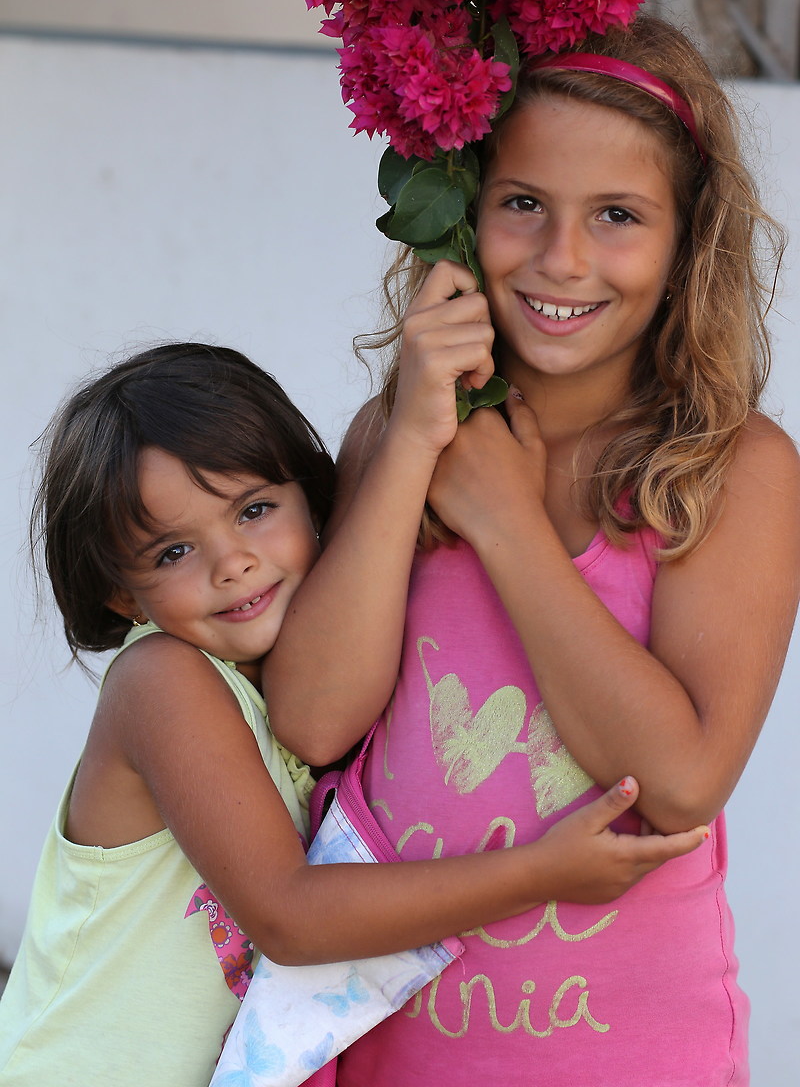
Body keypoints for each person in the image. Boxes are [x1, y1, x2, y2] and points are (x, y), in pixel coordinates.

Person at [263, 15, 800, 1086]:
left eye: (617, 216)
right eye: (522, 204)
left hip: (630, 1059)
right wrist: (413, 441)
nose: (563, 259)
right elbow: (315, 720)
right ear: (462, 219)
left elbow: (678, 783)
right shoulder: (393, 441)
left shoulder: (728, 468)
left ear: (685, 242)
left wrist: (505, 523)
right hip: (387, 1051)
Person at [0, 342, 702, 1087]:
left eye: (254, 511)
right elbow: (291, 917)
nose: (231, 563)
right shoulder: (161, 680)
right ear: (120, 594)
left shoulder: (299, 682)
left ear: (313, 499)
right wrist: (543, 871)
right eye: (173, 552)